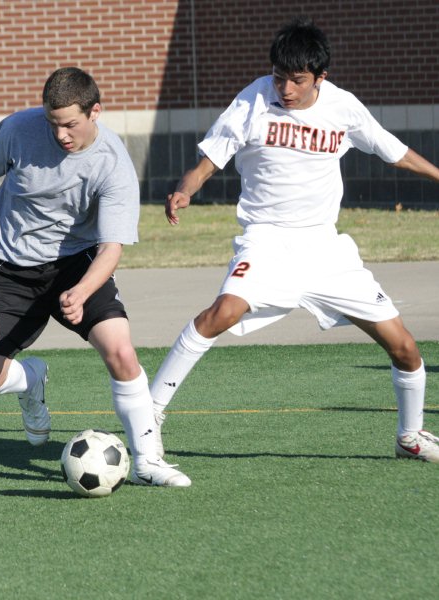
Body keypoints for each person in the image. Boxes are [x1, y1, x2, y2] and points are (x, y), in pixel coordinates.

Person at [149, 17, 439, 465]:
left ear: (320, 77)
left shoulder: (342, 107)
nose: (285, 88)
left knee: (403, 346)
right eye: (280, 77)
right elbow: (209, 159)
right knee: (220, 313)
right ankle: (149, 416)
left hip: (325, 249)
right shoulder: (253, 99)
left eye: (297, 80)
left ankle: (410, 435)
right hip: (266, 242)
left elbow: (392, 150)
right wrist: (186, 189)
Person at [0, 67, 191, 487]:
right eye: (53, 123)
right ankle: (31, 380)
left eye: (70, 124)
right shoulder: (18, 129)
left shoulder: (114, 164)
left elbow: (112, 248)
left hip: (77, 263)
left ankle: (148, 461)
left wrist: (82, 290)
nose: (60, 135)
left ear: (95, 112)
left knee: (122, 352)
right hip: (7, 264)